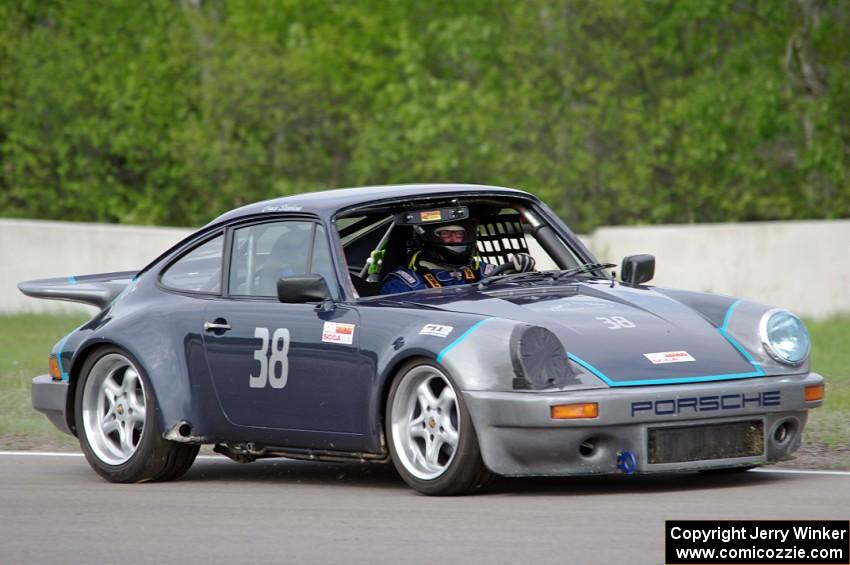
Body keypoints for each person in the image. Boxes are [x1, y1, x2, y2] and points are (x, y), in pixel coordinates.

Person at [380, 219, 536, 294]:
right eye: (446, 234)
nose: (454, 240)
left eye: (459, 234)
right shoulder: (404, 281)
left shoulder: (481, 270)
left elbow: (515, 297)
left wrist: (521, 273)